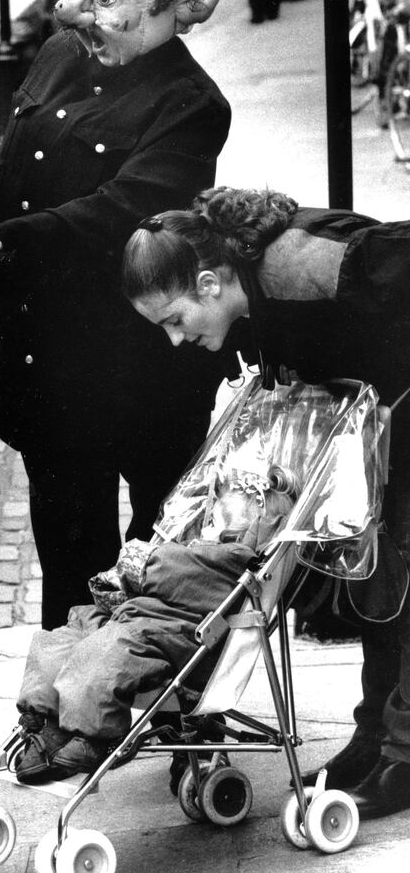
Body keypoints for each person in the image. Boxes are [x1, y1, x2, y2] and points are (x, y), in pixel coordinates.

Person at [0, 0, 235, 631]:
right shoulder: (57, 57)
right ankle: (65, 714)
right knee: (68, 559)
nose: (82, 11)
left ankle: (165, 713)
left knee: (158, 561)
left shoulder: (192, 105)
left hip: (140, 374)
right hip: (50, 367)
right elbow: (14, 181)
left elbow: (120, 212)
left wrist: (7, 242)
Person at [121, 185, 410, 821]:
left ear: (209, 284)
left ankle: (406, 754)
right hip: (381, 427)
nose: (175, 340)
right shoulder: (253, 292)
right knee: (385, 583)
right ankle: (377, 738)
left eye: (175, 320)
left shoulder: (296, 261)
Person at [13, 463, 297, 783]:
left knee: (108, 649)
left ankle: (95, 735)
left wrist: (141, 560)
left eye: (213, 521)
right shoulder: (207, 554)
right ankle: (45, 716)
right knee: (65, 635)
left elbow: (166, 573)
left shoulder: (228, 563)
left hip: (178, 640)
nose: (203, 526)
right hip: (151, 621)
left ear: (238, 534)